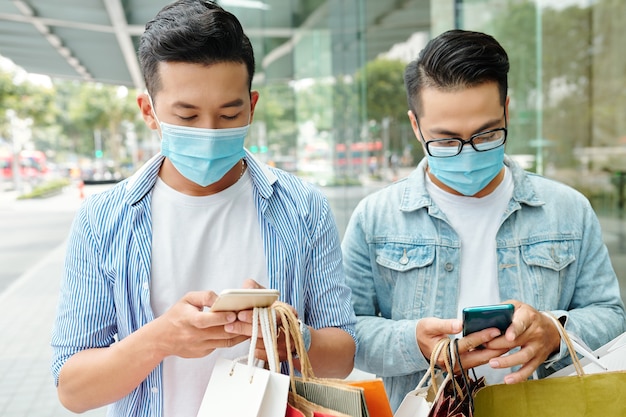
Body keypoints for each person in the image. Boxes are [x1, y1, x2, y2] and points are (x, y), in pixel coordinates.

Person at [50, 1, 356, 416]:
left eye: (230, 114)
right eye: (188, 116)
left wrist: (290, 339)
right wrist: (161, 339)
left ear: (252, 106)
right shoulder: (103, 219)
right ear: (149, 112)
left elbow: (343, 356)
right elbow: (73, 390)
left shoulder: (302, 207)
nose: (210, 132)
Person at [341, 29, 626, 412]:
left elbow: (610, 316)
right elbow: (347, 333)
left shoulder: (568, 210)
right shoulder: (375, 218)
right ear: (415, 126)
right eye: (445, 140)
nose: (468, 153)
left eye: (487, 134)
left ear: (507, 111)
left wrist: (555, 333)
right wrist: (415, 343)